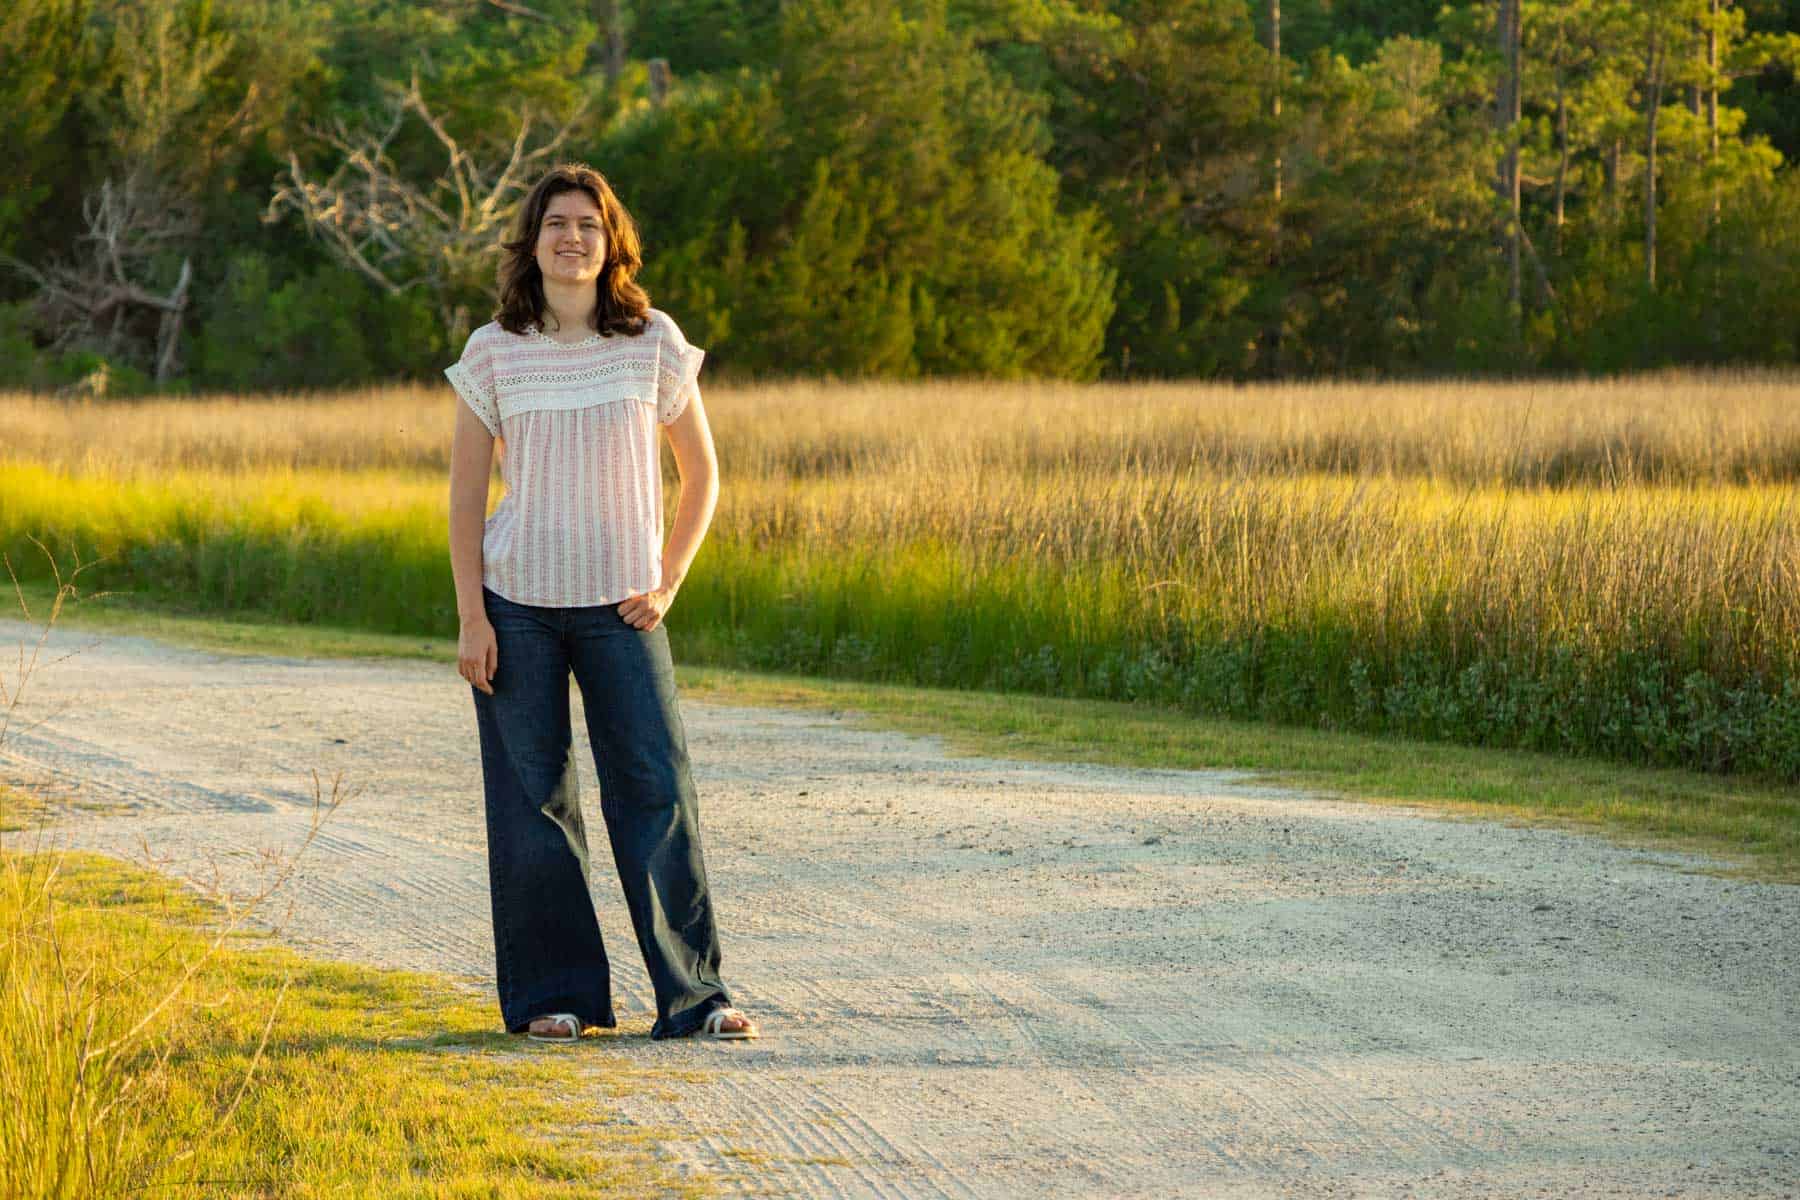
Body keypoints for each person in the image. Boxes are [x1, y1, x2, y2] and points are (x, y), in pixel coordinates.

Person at [444, 162, 757, 1043]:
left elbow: (703, 478)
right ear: (532, 241)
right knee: (532, 805)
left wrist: (667, 579)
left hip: (625, 609)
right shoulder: (492, 350)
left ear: (611, 240)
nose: (571, 237)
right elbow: (467, 501)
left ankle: (696, 998)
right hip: (516, 607)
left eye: (588, 222)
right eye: (555, 224)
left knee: (656, 791)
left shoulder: (653, 339)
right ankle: (559, 997)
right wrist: (472, 617)